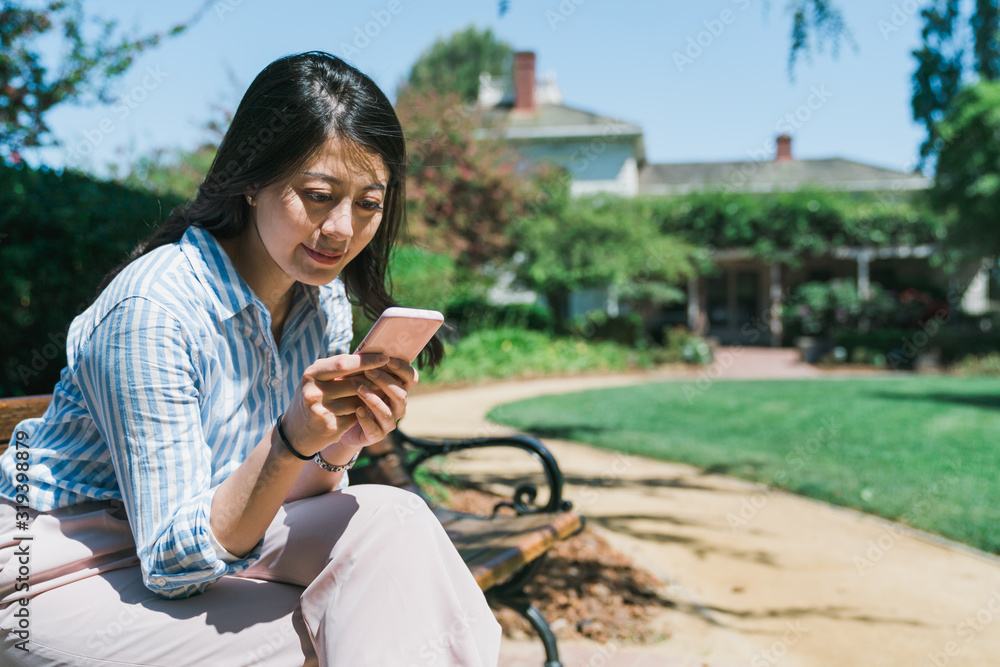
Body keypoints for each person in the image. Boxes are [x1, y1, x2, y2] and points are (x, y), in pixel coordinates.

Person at [0, 51, 501, 666]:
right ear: (251, 179)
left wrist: (342, 437)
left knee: (395, 525)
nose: (342, 228)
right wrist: (290, 441)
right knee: (352, 627)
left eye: (368, 203)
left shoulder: (323, 305)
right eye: (318, 195)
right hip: (56, 573)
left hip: (210, 545)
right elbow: (173, 563)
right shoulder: (154, 309)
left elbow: (285, 495)